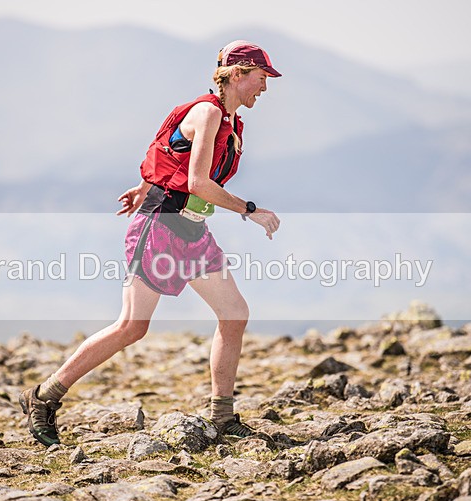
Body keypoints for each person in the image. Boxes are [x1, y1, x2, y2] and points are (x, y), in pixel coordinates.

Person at [19, 40, 282, 447]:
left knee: (234, 315)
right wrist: (250, 210)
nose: (264, 87)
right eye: (261, 78)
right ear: (237, 74)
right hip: (159, 227)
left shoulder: (226, 119)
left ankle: (222, 416)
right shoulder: (209, 113)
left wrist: (144, 184)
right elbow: (198, 182)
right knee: (132, 326)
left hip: (192, 230)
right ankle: (43, 396)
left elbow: (169, 149)